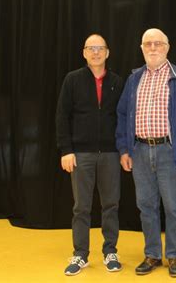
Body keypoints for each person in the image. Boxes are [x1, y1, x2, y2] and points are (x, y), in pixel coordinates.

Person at [115, 28, 176, 278]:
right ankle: (152, 254)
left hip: (170, 152)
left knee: (174, 206)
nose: (153, 48)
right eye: (148, 44)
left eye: (158, 44)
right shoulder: (134, 79)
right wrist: (124, 149)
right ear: (141, 48)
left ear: (167, 47)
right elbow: (122, 115)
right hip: (139, 151)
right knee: (146, 206)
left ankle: (174, 255)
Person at [56, 34, 124, 276]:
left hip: (110, 154)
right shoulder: (72, 80)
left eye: (100, 48)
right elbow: (62, 116)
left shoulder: (117, 82)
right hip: (81, 154)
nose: (95, 52)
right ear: (84, 53)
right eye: (90, 48)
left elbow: (124, 118)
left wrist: (123, 149)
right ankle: (80, 254)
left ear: (107, 53)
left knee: (111, 205)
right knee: (81, 207)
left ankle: (110, 251)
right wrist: (66, 150)